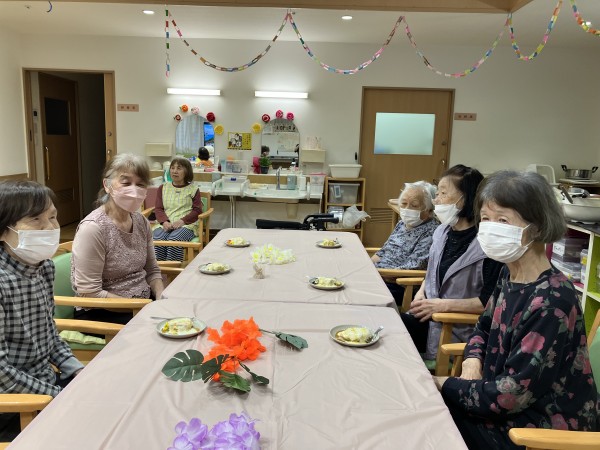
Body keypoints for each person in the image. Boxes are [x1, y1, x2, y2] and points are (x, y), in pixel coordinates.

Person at [435, 170, 599, 449]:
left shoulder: (552, 301)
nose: (490, 228)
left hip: (540, 432)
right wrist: (472, 360)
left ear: (536, 228)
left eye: (502, 220)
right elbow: (483, 327)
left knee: (433, 422)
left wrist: (444, 384)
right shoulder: (509, 274)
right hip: (501, 407)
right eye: (485, 219)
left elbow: (510, 396)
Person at [405, 164, 504, 358]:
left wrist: (442, 306)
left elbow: (488, 303)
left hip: (454, 329)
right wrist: (421, 291)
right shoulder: (441, 232)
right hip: (428, 318)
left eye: (443, 193)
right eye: (437, 193)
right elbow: (432, 271)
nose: (436, 200)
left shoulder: (486, 245)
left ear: (466, 198)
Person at [0, 181, 84, 397]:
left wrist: (78, 370)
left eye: (53, 217)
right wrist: (57, 395)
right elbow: (2, 375)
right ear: (3, 231)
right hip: (17, 399)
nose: (50, 228)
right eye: (35, 219)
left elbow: (49, 335)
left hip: (46, 380)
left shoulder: (44, 267)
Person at [71, 154, 164, 322]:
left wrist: (160, 297)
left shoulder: (141, 221)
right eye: (126, 183)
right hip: (102, 311)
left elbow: (152, 270)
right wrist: (139, 307)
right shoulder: (93, 228)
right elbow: (90, 292)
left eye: (140, 184)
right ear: (107, 185)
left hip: (141, 304)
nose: (134, 190)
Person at [371, 181, 438, 307]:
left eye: (414, 205)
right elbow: (383, 252)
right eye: (403, 203)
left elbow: (413, 267)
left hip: (399, 284)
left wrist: (376, 273)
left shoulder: (432, 231)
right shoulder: (402, 224)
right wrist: (367, 266)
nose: (407, 209)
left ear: (429, 211)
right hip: (379, 275)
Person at [153, 157, 202, 261]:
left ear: (187, 171)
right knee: (158, 238)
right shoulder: (163, 188)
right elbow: (158, 209)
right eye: (172, 168)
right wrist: (164, 222)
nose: (174, 171)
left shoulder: (193, 189)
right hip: (165, 224)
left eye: (179, 168)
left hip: (187, 225)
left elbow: (197, 210)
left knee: (174, 239)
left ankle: (173, 268)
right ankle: (159, 268)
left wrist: (182, 221)